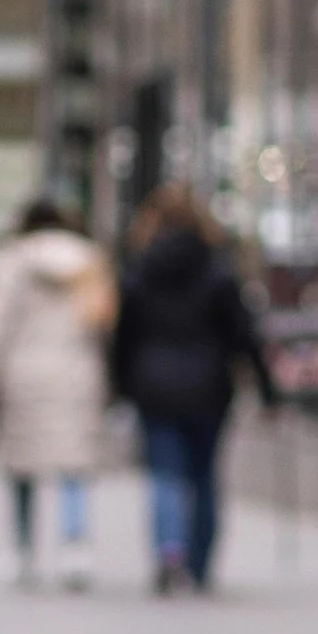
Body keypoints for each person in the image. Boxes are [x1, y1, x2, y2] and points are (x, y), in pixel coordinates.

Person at [112, 184, 279, 594]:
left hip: (154, 385)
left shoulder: (139, 271)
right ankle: (199, 563)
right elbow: (243, 333)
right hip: (208, 385)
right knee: (203, 476)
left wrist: (118, 385)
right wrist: (267, 387)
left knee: (164, 473)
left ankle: (170, 552)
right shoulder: (217, 270)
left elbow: (123, 336)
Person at [0, 198, 117, 585]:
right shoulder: (89, 260)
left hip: (20, 376)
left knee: (20, 467)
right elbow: (103, 324)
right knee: (73, 464)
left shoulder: (9, 262)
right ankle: (75, 547)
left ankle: (23, 550)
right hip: (77, 371)